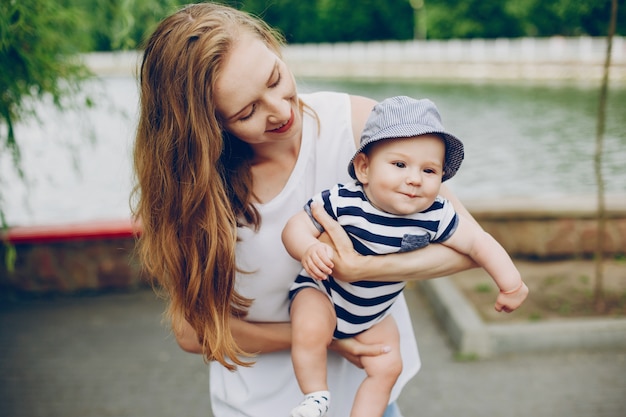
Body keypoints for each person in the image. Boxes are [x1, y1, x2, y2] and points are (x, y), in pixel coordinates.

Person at [132, 3, 480, 417]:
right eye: (247, 112)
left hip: (371, 403)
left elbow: (468, 246)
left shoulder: (361, 126)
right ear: (208, 125)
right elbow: (193, 332)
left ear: (274, 47)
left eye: (276, 78)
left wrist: (362, 270)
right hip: (260, 409)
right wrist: (325, 337)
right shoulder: (195, 193)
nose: (280, 111)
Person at [282, 96, 529, 417]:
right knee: (310, 327)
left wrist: (511, 283)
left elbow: (478, 243)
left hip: (373, 314)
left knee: (388, 366)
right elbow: (294, 227)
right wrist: (308, 247)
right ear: (364, 168)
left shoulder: (436, 214)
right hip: (323, 295)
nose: (414, 178)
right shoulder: (344, 200)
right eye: (399, 165)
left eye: (429, 170)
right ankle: (316, 394)